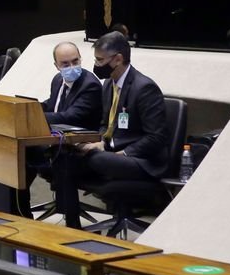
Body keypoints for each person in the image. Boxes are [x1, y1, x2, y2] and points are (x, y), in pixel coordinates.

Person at [63, 31, 170, 229]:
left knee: (96, 159)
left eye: (100, 60)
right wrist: (100, 142)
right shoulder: (108, 84)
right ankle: (73, 226)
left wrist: (121, 151)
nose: (96, 65)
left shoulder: (144, 88)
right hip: (114, 152)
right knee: (67, 155)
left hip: (144, 161)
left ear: (118, 59)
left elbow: (156, 138)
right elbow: (106, 123)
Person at [16, 42, 102, 217]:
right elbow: (52, 104)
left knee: (56, 157)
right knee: (18, 152)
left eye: (75, 61)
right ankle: (20, 212)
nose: (72, 67)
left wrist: (34, 117)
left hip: (79, 145)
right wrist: (29, 109)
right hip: (56, 140)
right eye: (65, 64)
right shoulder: (58, 80)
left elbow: (70, 116)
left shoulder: (90, 85)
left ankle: (72, 222)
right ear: (56, 66)